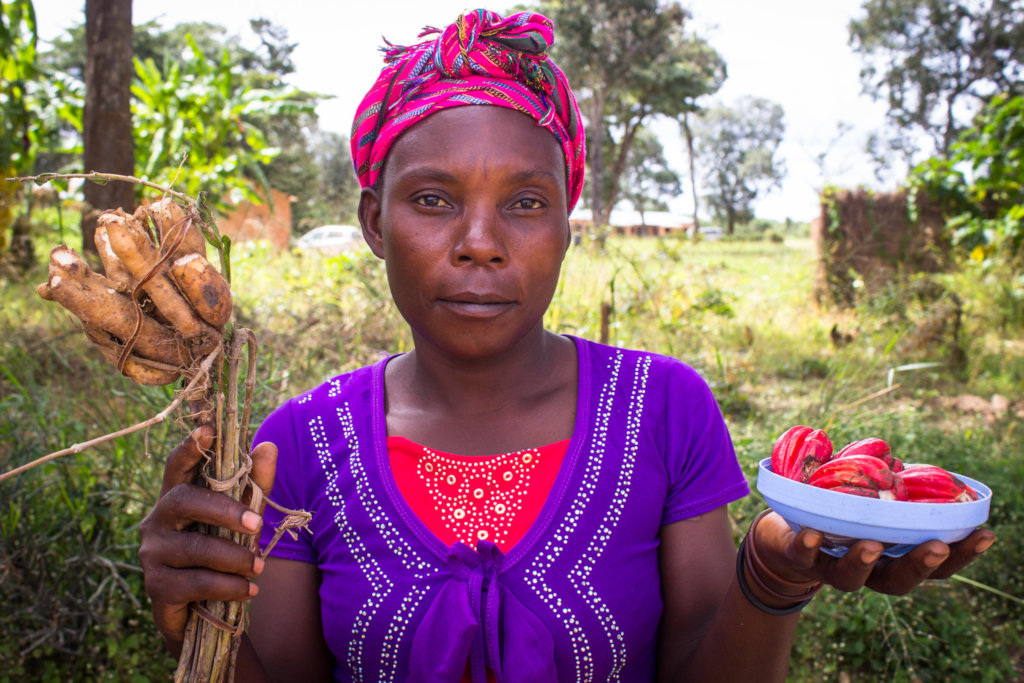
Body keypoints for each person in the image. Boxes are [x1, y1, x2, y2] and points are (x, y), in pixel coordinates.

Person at [138, 9, 994, 682]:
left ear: (567, 223)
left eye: (525, 202)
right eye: (433, 200)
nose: (480, 241)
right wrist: (195, 614)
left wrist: (771, 574)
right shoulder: (298, 447)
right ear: (373, 221)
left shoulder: (665, 411)